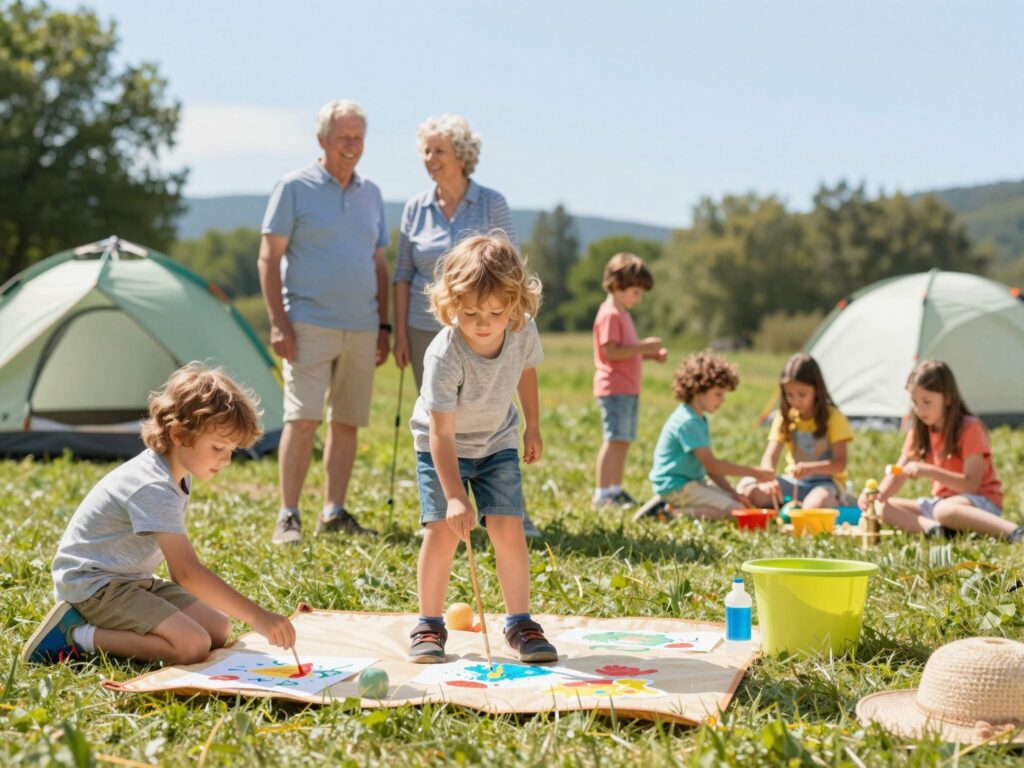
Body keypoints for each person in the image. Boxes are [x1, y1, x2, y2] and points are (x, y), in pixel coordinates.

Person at [21, 363, 296, 665]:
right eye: (218, 446)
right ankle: (74, 635)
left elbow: (182, 577)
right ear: (179, 434)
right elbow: (185, 573)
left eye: (231, 449)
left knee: (218, 629)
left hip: (131, 580)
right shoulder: (153, 486)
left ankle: (100, 631)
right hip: (93, 586)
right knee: (192, 646)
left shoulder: (177, 472)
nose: (227, 459)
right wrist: (259, 617)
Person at [406, 234, 557, 664]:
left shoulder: (522, 329)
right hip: (442, 447)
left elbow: (526, 370)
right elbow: (441, 434)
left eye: (495, 311)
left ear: (515, 304)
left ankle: (519, 622)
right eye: (470, 312)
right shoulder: (444, 354)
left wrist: (532, 425)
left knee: (508, 527)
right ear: (451, 305)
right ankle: (429, 625)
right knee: (441, 531)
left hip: (496, 442)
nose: (484, 321)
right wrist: (454, 496)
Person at [259, 100, 390, 544]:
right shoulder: (293, 187)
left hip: (363, 325)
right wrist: (279, 323)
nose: (352, 147)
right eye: (343, 138)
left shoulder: (371, 194)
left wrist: (385, 326)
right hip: (308, 323)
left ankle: (333, 511)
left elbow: (379, 264)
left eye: (359, 138)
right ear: (321, 140)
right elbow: (269, 258)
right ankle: (288, 515)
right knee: (303, 419)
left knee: (348, 421)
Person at [393, 113, 515, 390]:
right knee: (432, 410)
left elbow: (512, 271)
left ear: (461, 156)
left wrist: (511, 325)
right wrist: (400, 334)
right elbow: (402, 276)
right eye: (426, 151)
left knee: (475, 412)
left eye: (439, 151)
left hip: (480, 328)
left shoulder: (492, 203)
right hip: (422, 327)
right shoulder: (415, 207)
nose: (429, 158)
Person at [858, 360, 1024, 542]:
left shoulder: (970, 428)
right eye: (914, 402)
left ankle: (1014, 532)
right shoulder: (919, 432)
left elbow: (971, 485)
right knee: (882, 507)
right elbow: (898, 472)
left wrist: (928, 471)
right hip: (941, 504)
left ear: (947, 398)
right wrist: (876, 495)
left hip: (979, 503)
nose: (919, 410)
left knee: (945, 510)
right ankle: (939, 531)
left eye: (927, 402)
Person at [634, 351, 774, 522]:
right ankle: (667, 513)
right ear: (699, 389)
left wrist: (733, 493)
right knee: (736, 511)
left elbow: (709, 467)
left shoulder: (698, 419)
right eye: (718, 394)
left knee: (739, 503)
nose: (722, 400)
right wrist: (754, 472)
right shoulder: (688, 422)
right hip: (677, 487)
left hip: (691, 483)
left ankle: (672, 507)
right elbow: (712, 465)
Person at [591, 252, 667, 508]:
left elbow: (625, 354)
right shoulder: (611, 314)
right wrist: (643, 347)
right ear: (616, 286)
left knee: (623, 440)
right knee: (613, 440)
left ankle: (615, 489)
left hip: (627, 388)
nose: (639, 298)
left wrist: (648, 356)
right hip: (614, 388)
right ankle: (602, 494)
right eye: (635, 292)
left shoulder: (622, 313)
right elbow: (611, 352)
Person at [737, 353, 854, 509]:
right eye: (789, 395)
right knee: (748, 488)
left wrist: (810, 468)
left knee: (813, 506)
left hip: (827, 484)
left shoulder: (833, 417)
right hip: (795, 483)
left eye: (802, 394)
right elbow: (770, 456)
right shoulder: (785, 417)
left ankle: (841, 500)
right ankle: (789, 504)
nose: (795, 401)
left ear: (817, 390)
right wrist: (768, 480)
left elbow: (840, 464)